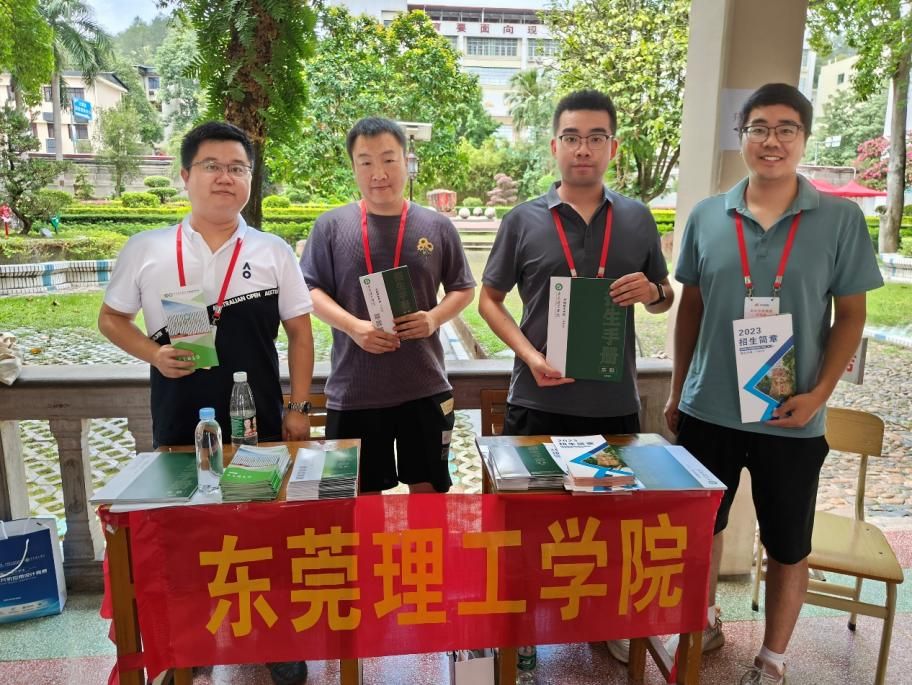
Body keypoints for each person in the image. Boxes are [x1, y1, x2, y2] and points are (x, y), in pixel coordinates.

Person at [665, 83, 883, 684]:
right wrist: (679, 389)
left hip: (792, 415)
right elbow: (690, 308)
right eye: (758, 128)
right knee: (702, 532)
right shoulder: (708, 216)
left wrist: (819, 395)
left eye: (787, 129)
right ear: (742, 136)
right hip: (708, 410)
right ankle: (701, 623)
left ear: (804, 138)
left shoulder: (840, 219)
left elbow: (852, 316)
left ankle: (773, 659)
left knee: (788, 544)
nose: (772, 141)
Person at [98, 121, 314, 685]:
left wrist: (298, 408)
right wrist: (154, 353)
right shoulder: (147, 249)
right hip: (178, 419)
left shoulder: (272, 250)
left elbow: (300, 333)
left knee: (265, 535)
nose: (225, 177)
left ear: (250, 180)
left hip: (257, 422)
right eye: (212, 166)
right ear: (185, 175)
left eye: (238, 168)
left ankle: (276, 642)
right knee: (183, 538)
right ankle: (188, 646)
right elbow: (111, 319)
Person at [479, 89, 673, 663]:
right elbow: (489, 300)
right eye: (571, 137)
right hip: (538, 400)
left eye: (594, 138)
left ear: (613, 146)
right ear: (554, 145)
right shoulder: (523, 220)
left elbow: (664, 297)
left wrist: (653, 290)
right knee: (526, 527)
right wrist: (530, 355)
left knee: (609, 527)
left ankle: (605, 621)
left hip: (611, 406)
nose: (582, 149)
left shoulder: (637, 218)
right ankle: (520, 634)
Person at [300, 116, 475, 495]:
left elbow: (463, 288)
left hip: (424, 385)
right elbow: (310, 290)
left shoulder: (437, 226)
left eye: (389, 159)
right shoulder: (331, 227)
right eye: (365, 162)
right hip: (354, 389)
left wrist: (433, 319)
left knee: (428, 495)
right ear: (353, 167)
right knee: (360, 501)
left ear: (406, 161)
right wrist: (353, 327)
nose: (378, 173)